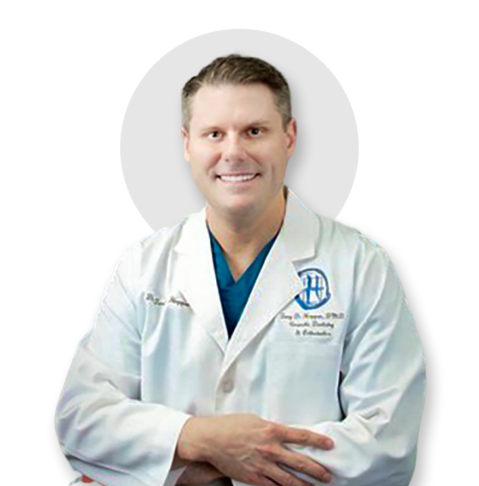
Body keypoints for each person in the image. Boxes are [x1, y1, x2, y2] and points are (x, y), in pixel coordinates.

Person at [54, 54, 427, 486]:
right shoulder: (141, 266)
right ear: (187, 144)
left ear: (289, 137)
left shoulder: (361, 265)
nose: (233, 152)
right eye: (214, 134)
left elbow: (387, 445)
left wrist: (194, 473)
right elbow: (81, 419)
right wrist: (199, 440)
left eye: (254, 131)